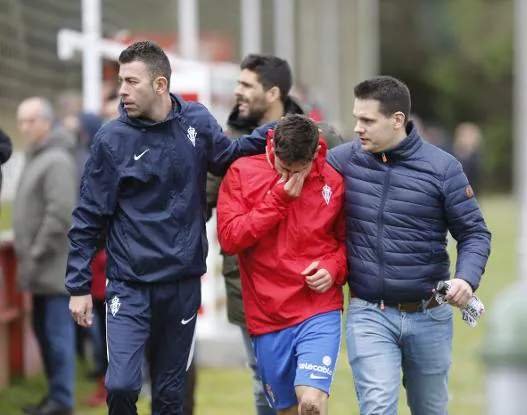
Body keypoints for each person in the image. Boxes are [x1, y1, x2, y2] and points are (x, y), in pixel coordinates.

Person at [65, 40, 268, 415]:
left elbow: (226, 158)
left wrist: (271, 136)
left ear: (160, 85)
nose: (122, 90)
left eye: (131, 81)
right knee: (122, 385)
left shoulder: (198, 121)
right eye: (120, 81)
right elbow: (89, 216)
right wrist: (78, 287)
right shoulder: (111, 139)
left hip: (181, 284)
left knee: (170, 395)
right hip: (129, 284)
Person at [326, 76, 492, 415]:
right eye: (356, 118)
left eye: (368, 120)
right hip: (369, 313)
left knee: (430, 409)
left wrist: (466, 280)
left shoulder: (443, 168)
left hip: (430, 315)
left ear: (397, 120)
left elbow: (475, 232)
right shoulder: (341, 161)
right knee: (377, 406)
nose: (358, 128)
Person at [205, 53, 345, 415]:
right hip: (253, 294)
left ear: (273, 92)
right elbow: (210, 212)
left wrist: (334, 266)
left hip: (315, 302)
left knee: (310, 400)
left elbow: (346, 227)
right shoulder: (230, 148)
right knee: (265, 391)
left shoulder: (326, 141)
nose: (238, 92)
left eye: (246, 85)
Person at [13, 97, 77, 415]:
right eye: (21, 121)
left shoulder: (56, 160)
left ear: (46, 121)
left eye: (30, 120)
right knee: (44, 333)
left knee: (56, 337)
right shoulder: (38, 157)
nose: (24, 127)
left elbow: (60, 214)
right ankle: (54, 397)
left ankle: (62, 400)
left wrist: (35, 252)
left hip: (52, 269)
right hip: (40, 270)